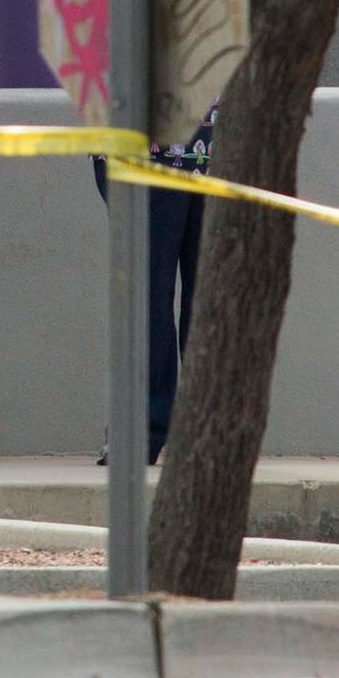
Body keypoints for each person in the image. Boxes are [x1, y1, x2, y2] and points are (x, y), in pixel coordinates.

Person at [90, 108, 213, 465]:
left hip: (220, 149)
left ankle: (205, 429)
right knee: (147, 299)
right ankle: (141, 429)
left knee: (209, 300)